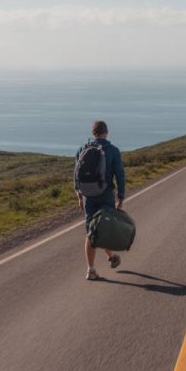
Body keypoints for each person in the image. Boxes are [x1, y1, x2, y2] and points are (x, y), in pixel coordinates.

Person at [76, 120, 126, 280]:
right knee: (104, 228)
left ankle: (92, 269)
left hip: (88, 196)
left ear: (93, 133)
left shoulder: (82, 149)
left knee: (91, 232)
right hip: (105, 194)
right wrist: (121, 197)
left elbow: (76, 174)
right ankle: (111, 257)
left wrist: (79, 194)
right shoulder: (112, 150)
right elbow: (120, 175)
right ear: (107, 132)